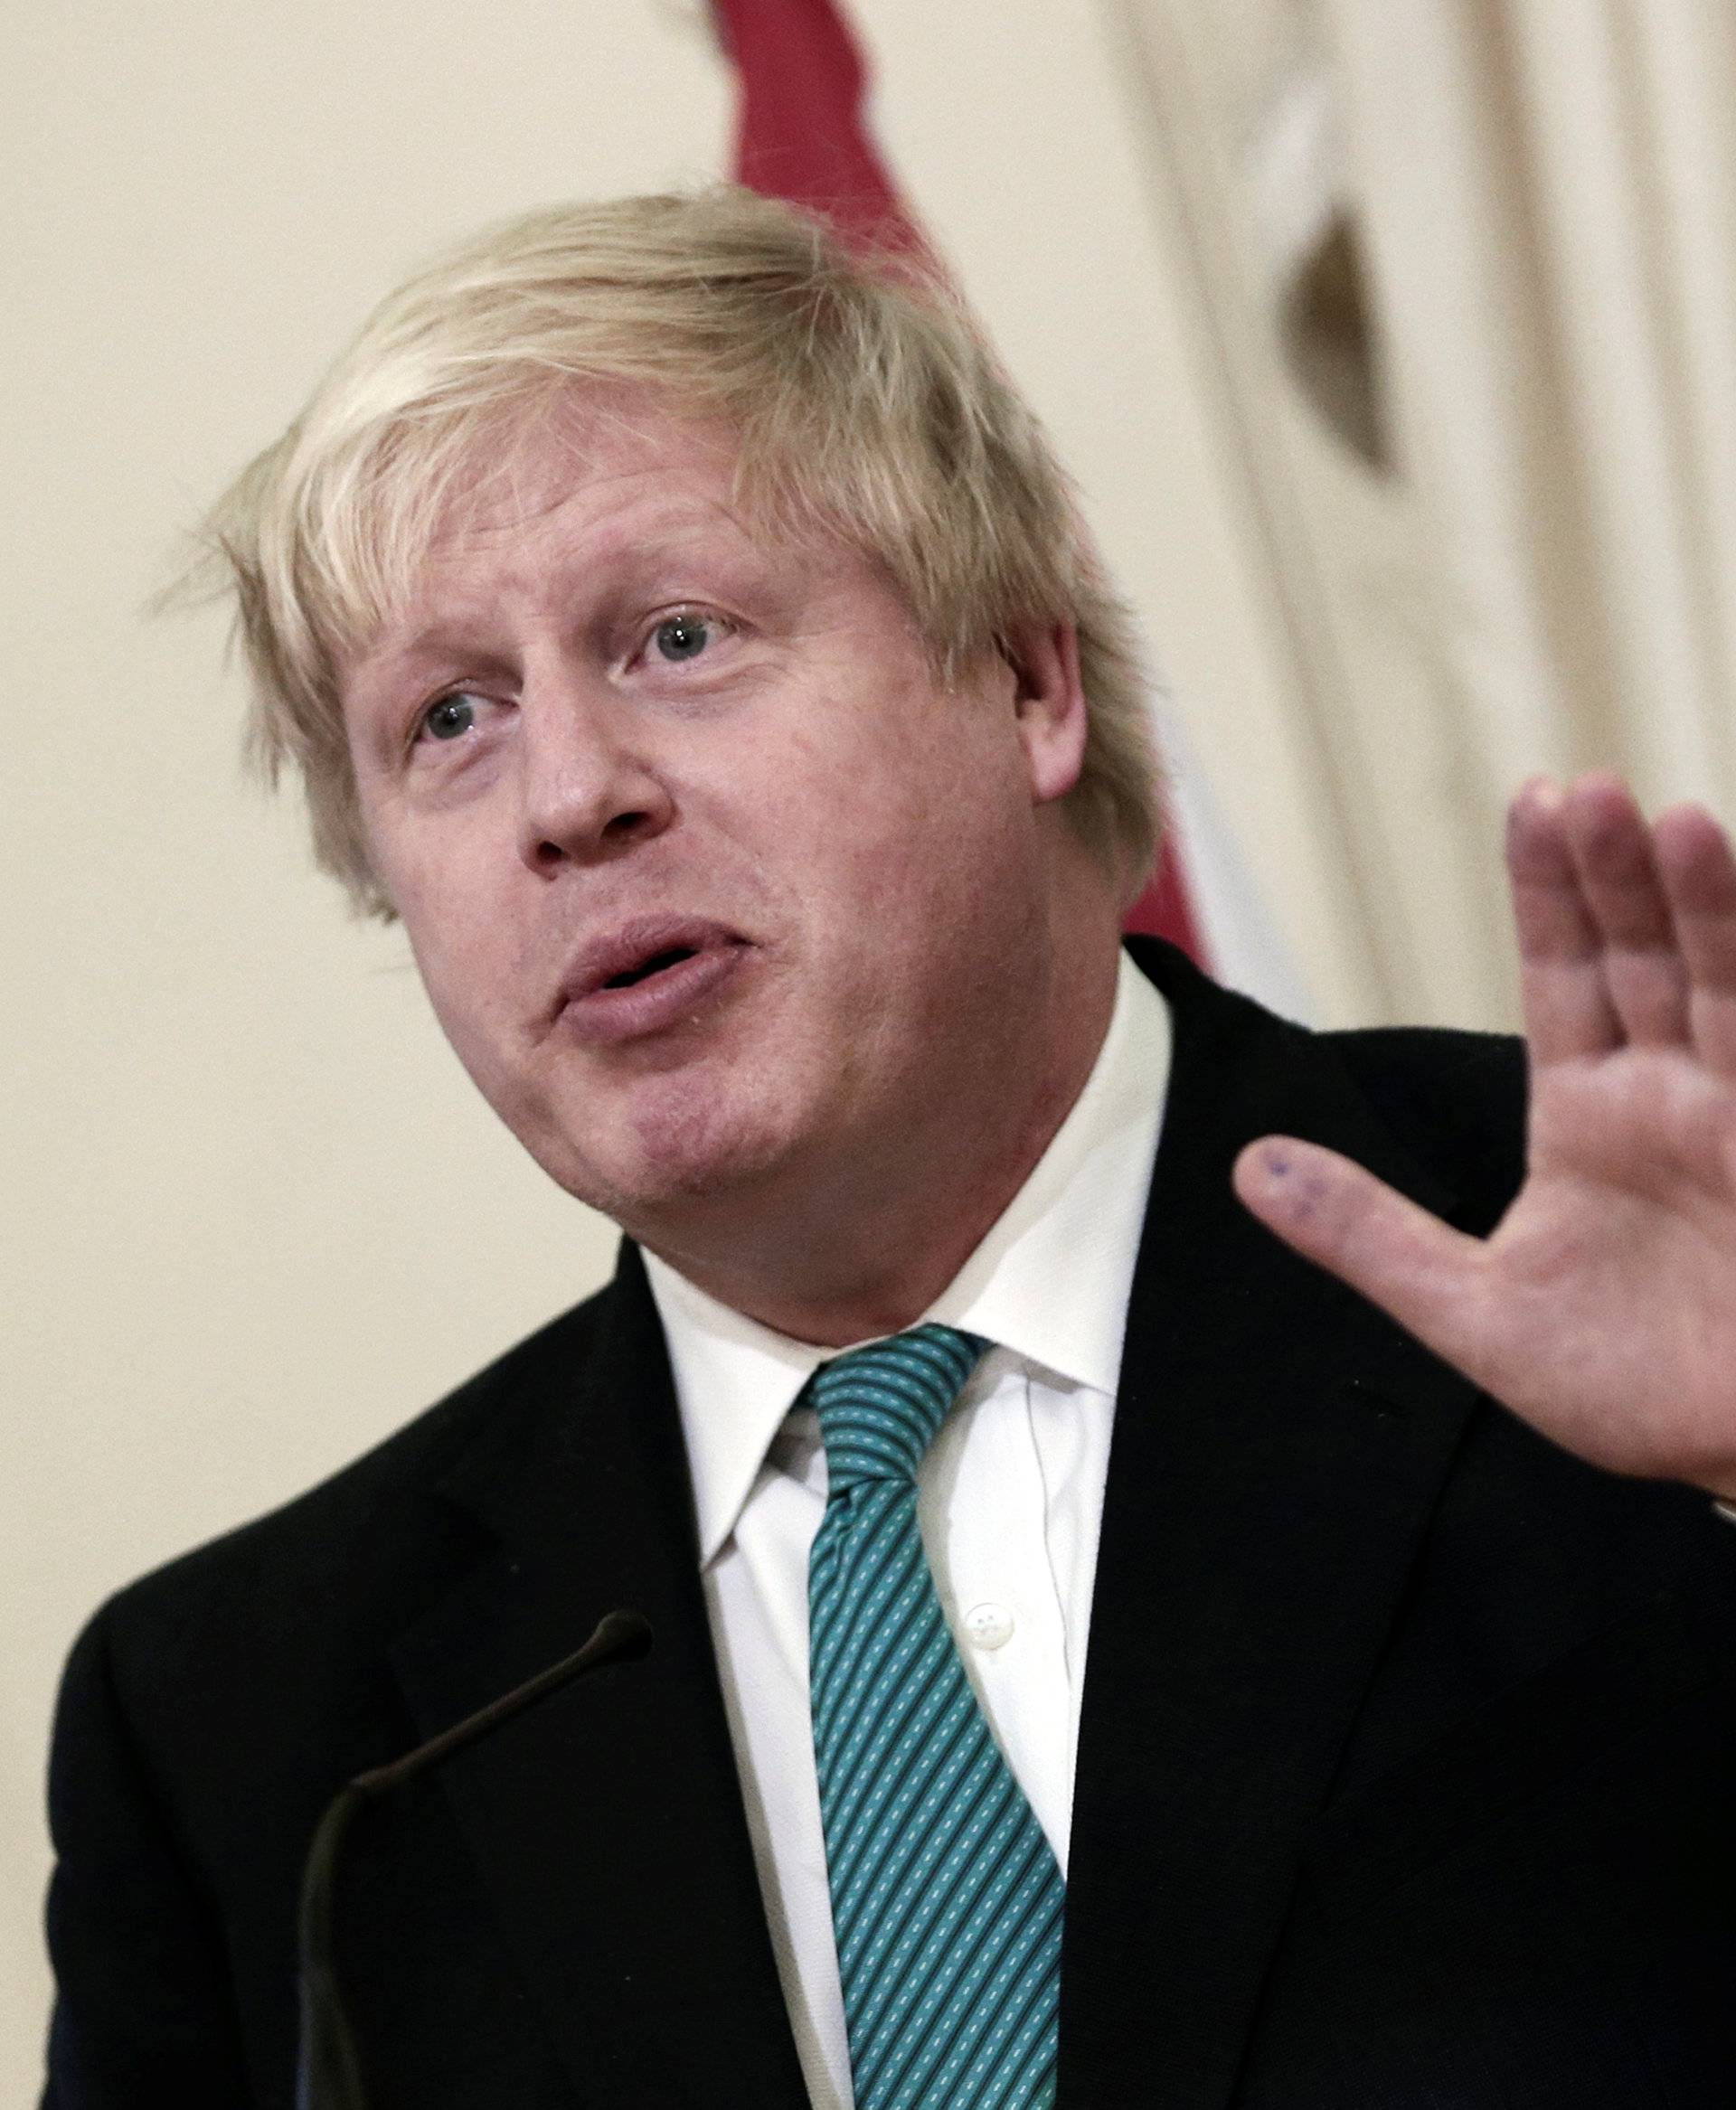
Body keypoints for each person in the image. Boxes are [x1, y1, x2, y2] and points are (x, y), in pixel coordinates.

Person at [41, 188, 1736, 2110]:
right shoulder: (250, 1744)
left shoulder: (1621, 1257)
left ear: (1024, 677)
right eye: (448, 719)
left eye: (676, 636)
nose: (573, 797)